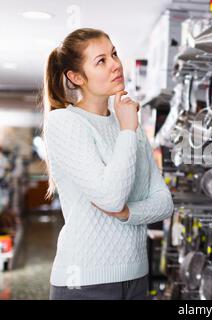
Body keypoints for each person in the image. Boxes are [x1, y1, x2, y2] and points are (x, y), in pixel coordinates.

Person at [42, 28, 173, 300]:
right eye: (101, 61)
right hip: (83, 282)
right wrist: (126, 129)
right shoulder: (64, 122)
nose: (115, 64)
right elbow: (111, 198)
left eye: (114, 54)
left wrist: (128, 214)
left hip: (137, 276)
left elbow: (164, 203)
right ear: (76, 77)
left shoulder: (129, 122)